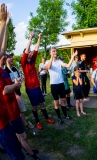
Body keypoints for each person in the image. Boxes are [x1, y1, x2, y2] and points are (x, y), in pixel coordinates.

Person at [0, 4, 25, 160]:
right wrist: (3, 23)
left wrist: (5, 24)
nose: (4, 56)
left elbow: (2, 50)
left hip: (4, 119)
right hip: (1, 124)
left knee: (16, 151)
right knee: (16, 155)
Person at [21, 33, 55, 130]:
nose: (31, 53)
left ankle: (47, 118)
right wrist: (30, 39)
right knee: (34, 106)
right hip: (30, 89)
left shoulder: (32, 60)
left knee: (42, 104)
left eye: (31, 52)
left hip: (37, 87)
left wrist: (39, 38)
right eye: (29, 52)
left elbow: (36, 48)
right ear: (25, 54)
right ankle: (37, 122)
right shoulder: (23, 63)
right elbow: (27, 50)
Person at [45, 47, 77, 124]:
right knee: (56, 103)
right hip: (54, 85)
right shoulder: (47, 61)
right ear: (50, 53)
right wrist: (51, 57)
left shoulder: (59, 61)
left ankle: (65, 115)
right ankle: (59, 117)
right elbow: (48, 67)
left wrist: (72, 56)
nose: (55, 52)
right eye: (53, 51)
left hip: (61, 84)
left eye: (55, 51)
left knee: (63, 101)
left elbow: (68, 65)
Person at [5, 53, 34, 129]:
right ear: (5, 60)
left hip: (19, 93)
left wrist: (19, 83)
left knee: (21, 110)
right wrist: (15, 95)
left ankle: (25, 124)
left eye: (12, 57)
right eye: (9, 57)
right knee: (14, 113)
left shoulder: (15, 68)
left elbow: (18, 80)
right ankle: (19, 127)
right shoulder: (5, 71)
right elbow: (7, 86)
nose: (11, 58)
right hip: (12, 96)